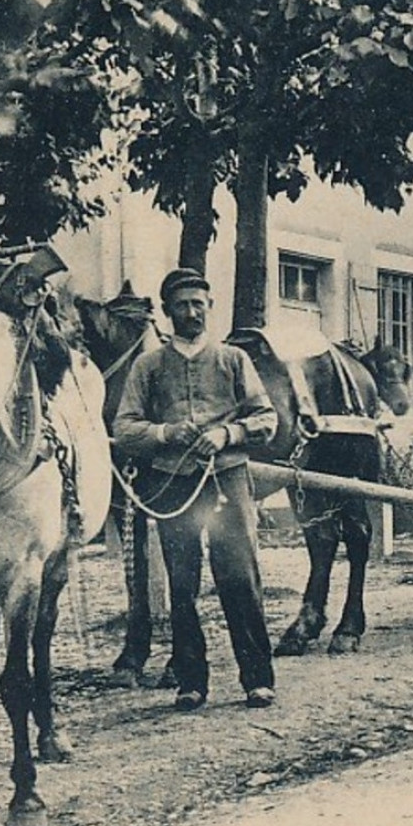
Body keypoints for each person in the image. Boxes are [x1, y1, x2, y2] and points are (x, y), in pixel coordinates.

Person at [114, 268, 281, 708]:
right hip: (173, 484)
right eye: (183, 305)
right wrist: (166, 433)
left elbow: (267, 419)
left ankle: (257, 678)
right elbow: (125, 427)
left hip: (227, 479)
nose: (192, 312)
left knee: (240, 576)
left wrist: (228, 435)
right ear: (168, 312)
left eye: (199, 304)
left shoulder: (232, 360)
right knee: (182, 583)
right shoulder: (148, 365)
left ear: (210, 308)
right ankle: (191, 682)